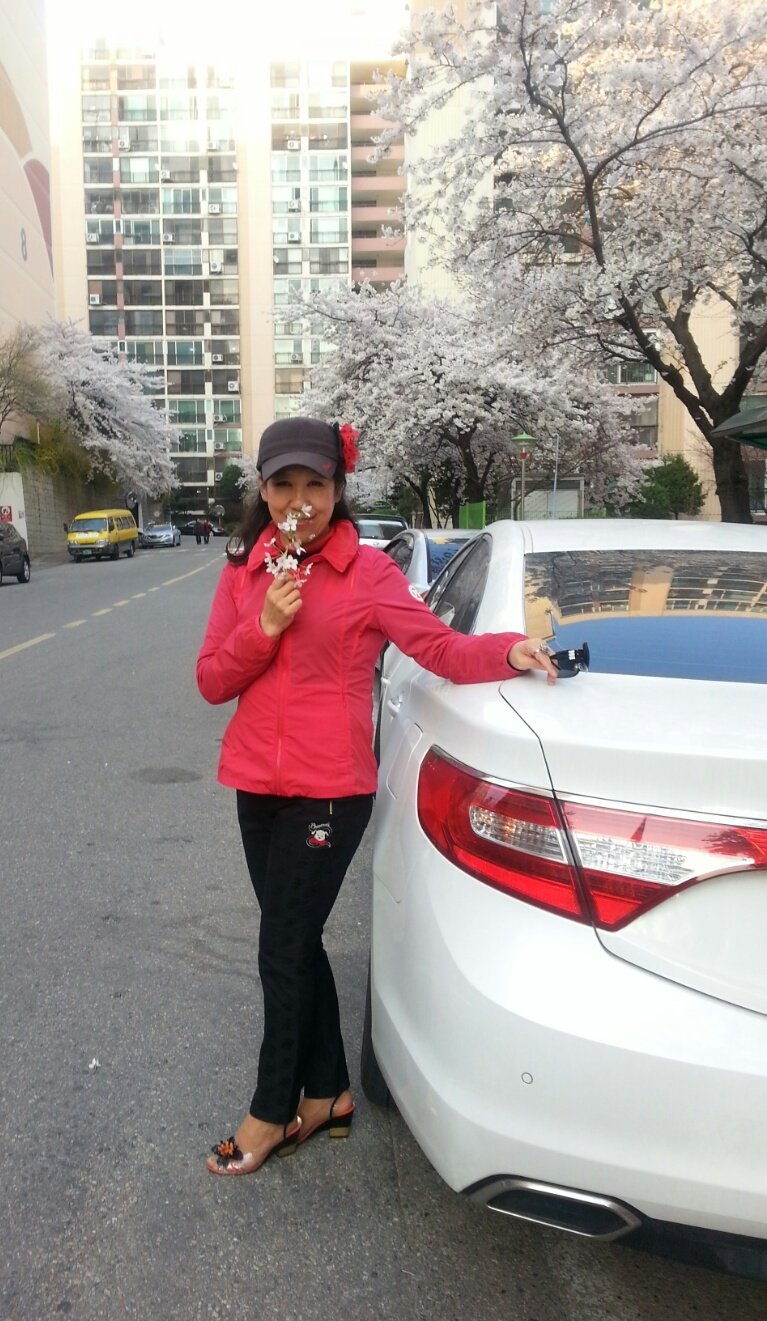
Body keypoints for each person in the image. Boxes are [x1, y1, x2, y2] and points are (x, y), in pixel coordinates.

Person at [195, 417, 557, 1176]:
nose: (299, 500)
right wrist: (263, 626)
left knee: (280, 950)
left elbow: (438, 647)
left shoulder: (366, 574)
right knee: (295, 941)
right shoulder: (245, 570)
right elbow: (212, 681)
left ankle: (271, 1110)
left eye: (315, 484)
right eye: (283, 484)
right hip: (256, 785)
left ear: (338, 489)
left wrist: (510, 650)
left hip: (329, 793)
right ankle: (328, 1092)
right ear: (262, 490)